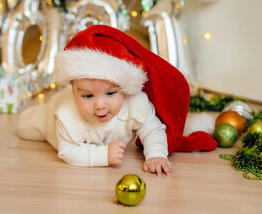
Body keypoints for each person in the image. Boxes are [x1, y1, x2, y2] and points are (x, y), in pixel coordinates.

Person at [17, 25, 217, 175]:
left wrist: (157, 154)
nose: (100, 105)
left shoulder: (136, 103)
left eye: (110, 94)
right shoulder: (66, 113)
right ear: (73, 89)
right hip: (50, 121)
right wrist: (103, 155)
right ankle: (29, 116)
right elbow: (68, 151)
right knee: (25, 126)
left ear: (125, 88)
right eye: (88, 96)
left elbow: (153, 129)